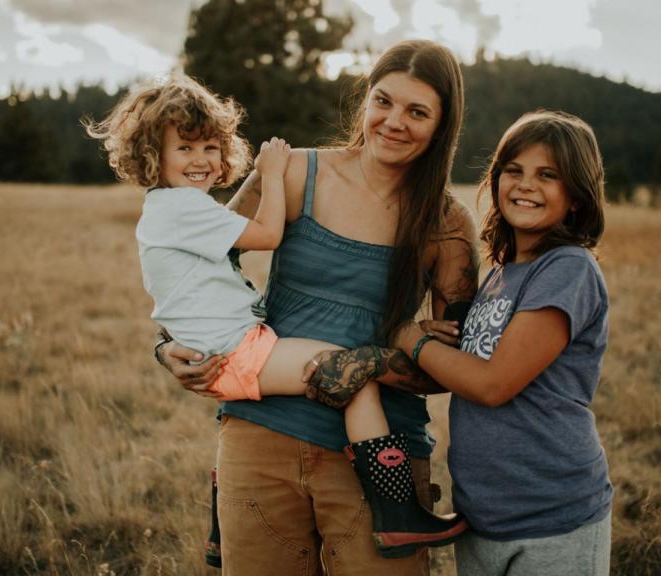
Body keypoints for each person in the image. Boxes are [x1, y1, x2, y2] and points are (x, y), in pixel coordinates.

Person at [87, 70, 471, 571]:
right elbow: (200, 266)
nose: (394, 121)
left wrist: (412, 346)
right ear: (365, 101)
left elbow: (462, 370)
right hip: (259, 436)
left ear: (443, 125)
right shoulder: (294, 172)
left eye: (417, 112)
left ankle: (398, 509)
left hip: (378, 456)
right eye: (384, 101)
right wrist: (167, 347)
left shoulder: (447, 223)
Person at [311, 110, 613, 575]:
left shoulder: (568, 268)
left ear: (576, 196)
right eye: (514, 170)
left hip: (551, 513)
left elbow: (493, 384)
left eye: (547, 175)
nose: (525, 185)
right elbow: (466, 367)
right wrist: (435, 343)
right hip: (483, 514)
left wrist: (410, 337)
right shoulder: (502, 276)